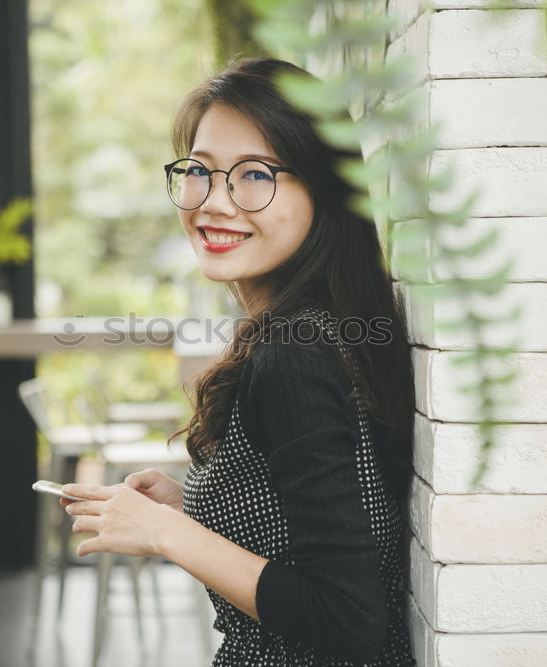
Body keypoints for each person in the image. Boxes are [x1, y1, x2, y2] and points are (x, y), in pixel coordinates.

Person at [61, 57, 417, 666]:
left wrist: (168, 534)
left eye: (254, 175)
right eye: (198, 171)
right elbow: (312, 524)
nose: (214, 202)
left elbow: (348, 617)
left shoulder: (294, 355)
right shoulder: (322, 326)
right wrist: (189, 505)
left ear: (325, 190)